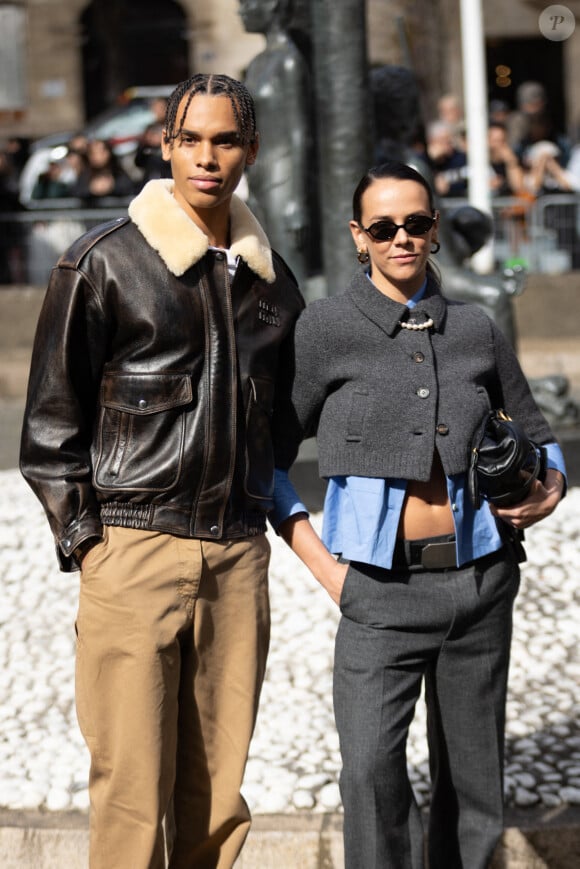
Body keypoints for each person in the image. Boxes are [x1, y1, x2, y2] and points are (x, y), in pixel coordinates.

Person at [20, 73, 304, 869]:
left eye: (225, 140)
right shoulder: (102, 263)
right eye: (191, 139)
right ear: (166, 145)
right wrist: (90, 542)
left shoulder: (274, 284)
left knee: (217, 801)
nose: (207, 157)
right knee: (132, 793)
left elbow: (285, 421)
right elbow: (49, 423)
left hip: (237, 556)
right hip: (132, 550)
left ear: (249, 149)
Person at [270, 161, 566, 868]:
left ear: (435, 230)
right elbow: (267, 459)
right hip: (376, 592)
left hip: (483, 584)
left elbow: (540, 430)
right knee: (370, 771)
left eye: (416, 223)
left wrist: (548, 488)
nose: (401, 237)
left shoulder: (475, 327)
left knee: (473, 785)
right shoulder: (325, 330)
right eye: (383, 227)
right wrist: (326, 567)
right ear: (358, 236)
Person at [239, 0, 313, 284]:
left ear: (271, 8)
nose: (241, 11)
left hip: (284, 179)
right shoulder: (258, 63)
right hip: (260, 176)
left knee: (289, 271)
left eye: (247, 4)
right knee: (264, 269)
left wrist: (298, 199)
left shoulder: (289, 61)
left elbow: (299, 132)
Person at [71, 137, 136, 200]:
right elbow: (76, 192)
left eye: (100, 152)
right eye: (93, 153)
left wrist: (111, 187)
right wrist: (92, 190)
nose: (97, 156)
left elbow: (129, 189)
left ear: (108, 153)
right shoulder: (86, 174)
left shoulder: (117, 171)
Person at [425, 120, 468, 197]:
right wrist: (432, 160)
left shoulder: (460, 158)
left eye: (450, 140)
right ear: (431, 141)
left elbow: (467, 182)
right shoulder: (423, 160)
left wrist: (450, 188)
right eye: (443, 140)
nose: (448, 144)